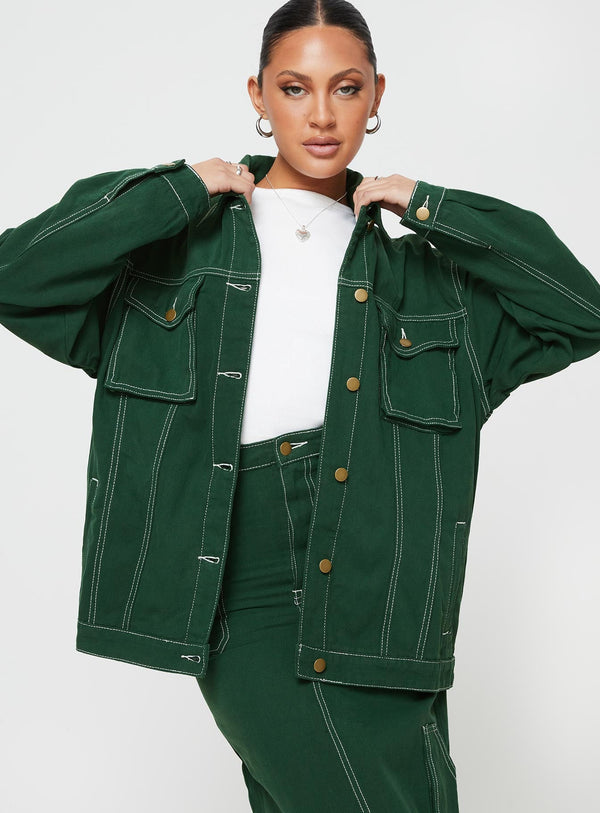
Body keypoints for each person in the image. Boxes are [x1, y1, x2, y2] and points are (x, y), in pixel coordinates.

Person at [1, 0, 599, 810]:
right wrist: (177, 190)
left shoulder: (426, 285)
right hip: (239, 577)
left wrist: (433, 206)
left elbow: (579, 310)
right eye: (294, 87)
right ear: (258, 95)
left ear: (376, 95)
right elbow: (18, 278)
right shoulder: (175, 254)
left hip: (383, 590)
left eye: (346, 88)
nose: (321, 115)